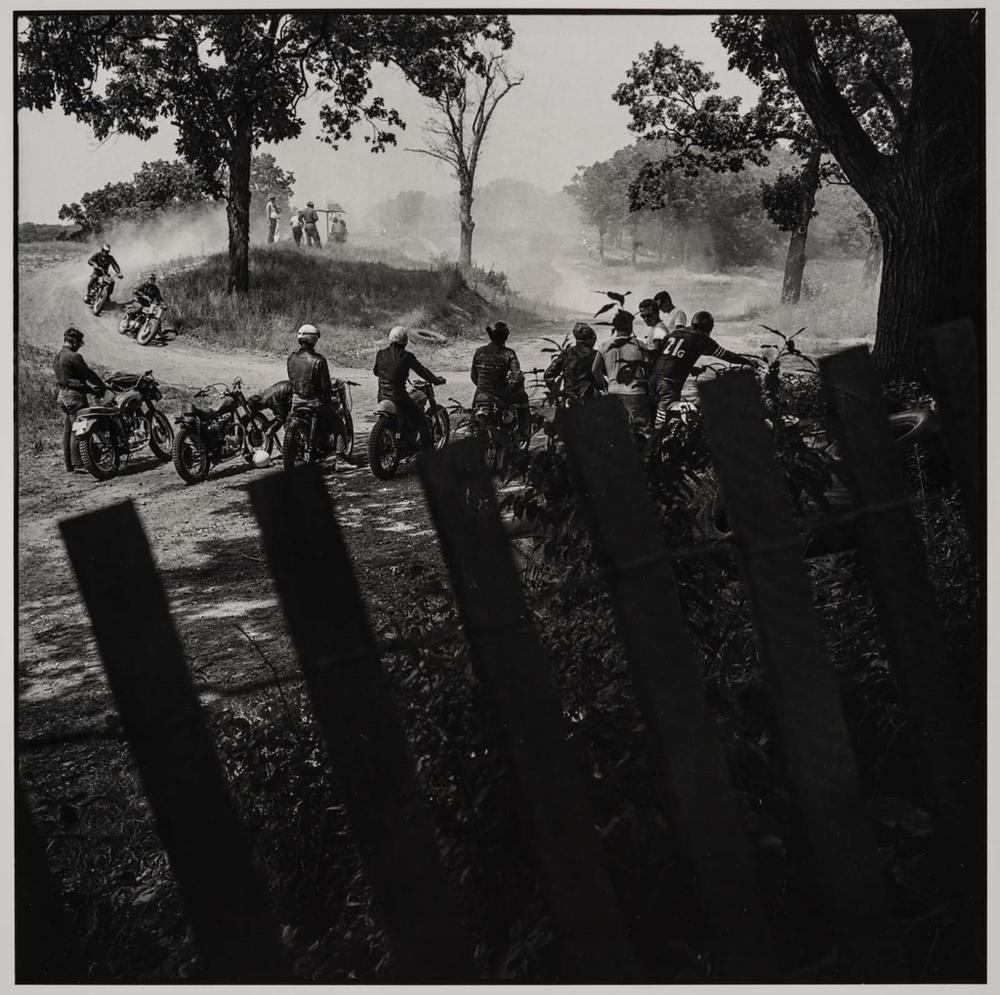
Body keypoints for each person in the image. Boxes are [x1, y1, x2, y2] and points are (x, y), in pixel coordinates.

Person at [649, 310, 762, 427]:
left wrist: (690, 369)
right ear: (709, 328)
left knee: (651, 421)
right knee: (663, 425)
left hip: (653, 379)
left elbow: (667, 357)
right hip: (669, 385)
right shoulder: (701, 338)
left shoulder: (675, 333)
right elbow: (726, 355)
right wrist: (748, 362)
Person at [372, 326, 445, 452]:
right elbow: (422, 371)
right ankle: (430, 456)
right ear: (405, 341)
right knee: (422, 420)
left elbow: (376, 372)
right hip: (399, 398)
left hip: (382, 397)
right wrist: (436, 380)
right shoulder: (407, 356)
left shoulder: (381, 354)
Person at [54, 327, 109, 472]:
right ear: (73, 341)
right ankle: (79, 464)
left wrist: (89, 389)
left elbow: (68, 379)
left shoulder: (58, 354)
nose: (79, 346)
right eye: (78, 343)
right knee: (79, 430)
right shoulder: (74, 356)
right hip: (74, 396)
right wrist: (101, 386)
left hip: (62, 395)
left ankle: (69, 464)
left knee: (68, 430)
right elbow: (88, 374)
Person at [286, 324, 344, 455]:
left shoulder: (291, 357)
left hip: (296, 400)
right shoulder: (319, 360)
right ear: (313, 339)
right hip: (315, 402)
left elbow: (292, 378)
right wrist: (328, 398)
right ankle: (340, 459)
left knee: (289, 423)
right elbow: (325, 386)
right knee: (339, 425)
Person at [591, 309, 651, 433]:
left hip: (614, 391)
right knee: (641, 432)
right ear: (630, 326)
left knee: (617, 432)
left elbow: (595, 370)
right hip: (636, 393)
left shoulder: (604, 346)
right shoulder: (640, 345)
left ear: (615, 327)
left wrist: (606, 385)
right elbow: (649, 368)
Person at [470, 321, 531, 437]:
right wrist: (512, 387)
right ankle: (524, 430)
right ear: (506, 336)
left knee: (474, 409)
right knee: (523, 396)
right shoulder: (509, 353)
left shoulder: (479, 351)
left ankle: (471, 425)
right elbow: (517, 377)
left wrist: (483, 386)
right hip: (501, 393)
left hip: (481, 393)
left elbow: (474, 376)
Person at [543, 322, 605, 404]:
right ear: (591, 339)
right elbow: (609, 373)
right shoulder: (596, 355)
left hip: (569, 399)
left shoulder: (565, 353)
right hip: (591, 400)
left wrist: (559, 394)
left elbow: (548, 375)